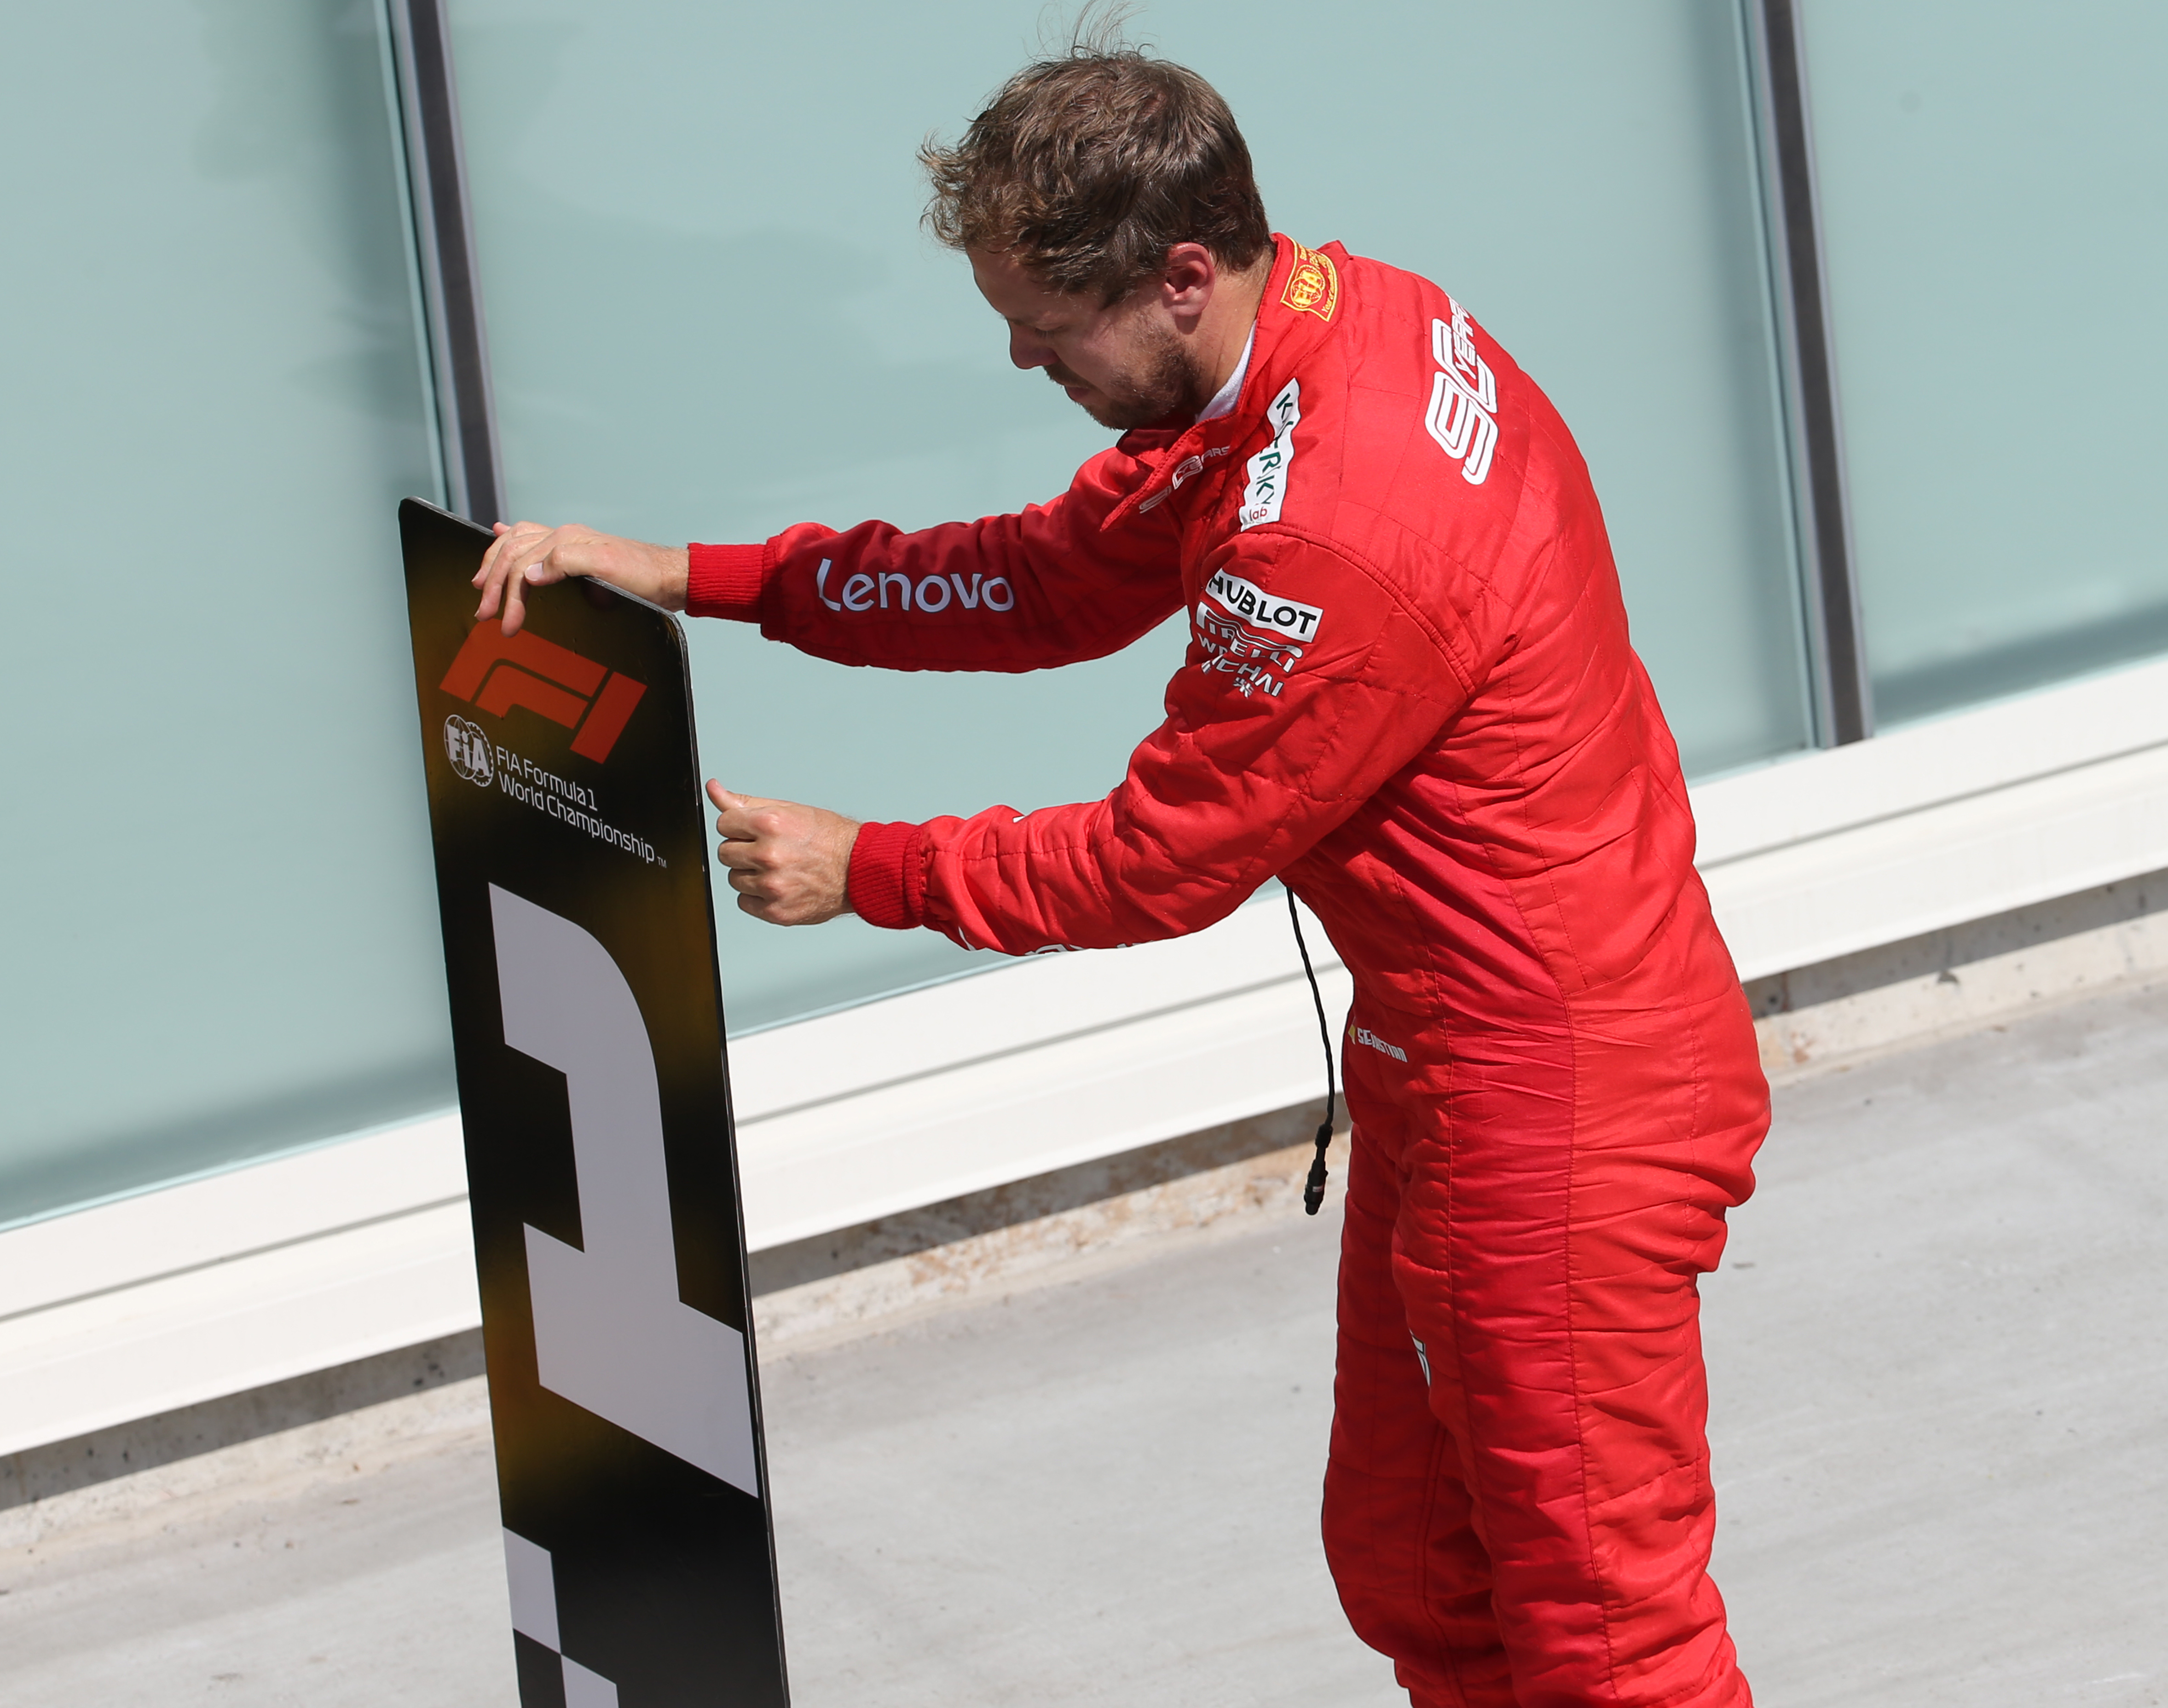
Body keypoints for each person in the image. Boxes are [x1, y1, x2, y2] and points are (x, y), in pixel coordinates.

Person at [473, 36, 1767, 1708]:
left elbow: (1159, 864)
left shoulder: (1334, 529)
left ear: (1174, 276)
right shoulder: (1331, 329)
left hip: (1559, 1092)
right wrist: (695, 577)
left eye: (1043, 322)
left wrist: (871, 867)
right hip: (1458, 1055)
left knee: (1605, 1632)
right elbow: (1048, 582)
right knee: (1418, 1567)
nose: (1018, 357)